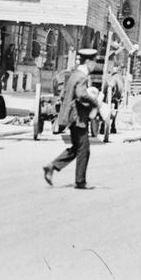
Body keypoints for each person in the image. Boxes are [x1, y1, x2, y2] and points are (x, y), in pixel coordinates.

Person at [43, 48, 100, 190]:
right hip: (77, 117)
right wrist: (94, 102)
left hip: (71, 116)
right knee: (84, 149)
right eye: (93, 62)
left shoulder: (74, 75)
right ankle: (80, 181)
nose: (95, 65)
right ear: (87, 61)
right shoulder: (82, 77)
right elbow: (81, 94)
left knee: (77, 148)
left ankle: (52, 166)